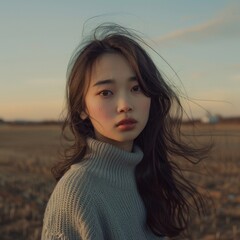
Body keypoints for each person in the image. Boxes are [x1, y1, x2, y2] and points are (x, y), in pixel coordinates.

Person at [41, 23, 209, 239]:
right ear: (82, 108)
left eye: (136, 88)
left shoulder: (147, 174)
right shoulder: (76, 193)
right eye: (106, 92)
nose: (124, 105)